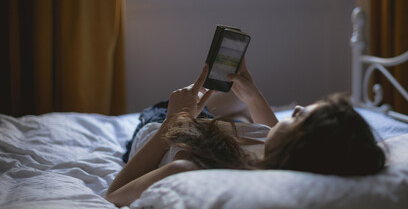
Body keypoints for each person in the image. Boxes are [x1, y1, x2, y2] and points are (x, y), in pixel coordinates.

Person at [105, 59, 386, 207]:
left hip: (160, 129)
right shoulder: (278, 158)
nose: (297, 107)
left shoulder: (185, 170)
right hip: (204, 124)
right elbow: (275, 132)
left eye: (300, 116)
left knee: (207, 103)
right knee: (231, 108)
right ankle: (231, 109)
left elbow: (114, 195)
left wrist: (172, 120)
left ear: (301, 145)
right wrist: (253, 95)